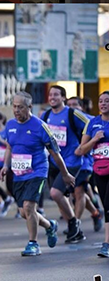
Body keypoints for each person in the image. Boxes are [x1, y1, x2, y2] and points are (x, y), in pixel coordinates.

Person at [0, 91, 75, 256]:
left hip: (37, 172)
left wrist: (65, 174)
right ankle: (50, 226)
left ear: (29, 107)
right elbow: (9, 147)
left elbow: (55, 153)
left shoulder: (40, 126)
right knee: (23, 212)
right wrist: (6, 165)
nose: (16, 110)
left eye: (20, 107)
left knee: (29, 207)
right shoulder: (10, 125)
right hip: (19, 173)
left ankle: (33, 243)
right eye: (14, 106)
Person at [41, 85, 89, 244]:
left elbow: (90, 125)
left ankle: (74, 223)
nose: (52, 97)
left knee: (55, 193)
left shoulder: (72, 113)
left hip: (71, 162)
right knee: (61, 198)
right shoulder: (46, 115)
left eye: (56, 94)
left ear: (63, 98)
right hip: (53, 162)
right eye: (50, 95)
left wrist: (82, 146)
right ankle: (76, 229)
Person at [77, 91, 109, 257]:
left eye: (107, 101)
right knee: (106, 205)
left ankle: (106, 244)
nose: (103, 104)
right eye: (101, 101)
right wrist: (95, 139)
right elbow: (82, 149)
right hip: (100, 170)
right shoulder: (92, 123)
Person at [67, 96, 102, 232]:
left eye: (75, 104)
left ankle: (75, 225)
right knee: (73, 194)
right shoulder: (63, 120)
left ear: (81, 107)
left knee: (79, 191)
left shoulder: (90, 120)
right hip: (68, 163)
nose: (72, 107)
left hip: (85, 163)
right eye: (69, 104)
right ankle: (95, 213)